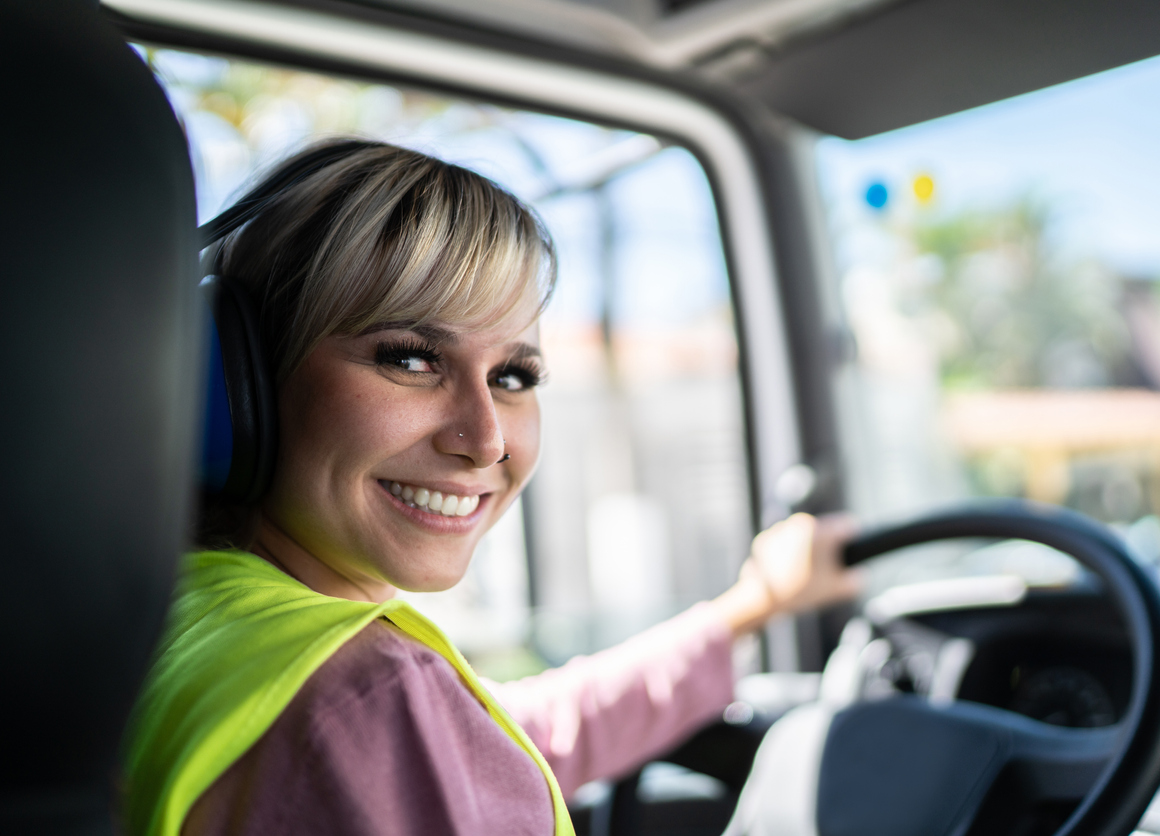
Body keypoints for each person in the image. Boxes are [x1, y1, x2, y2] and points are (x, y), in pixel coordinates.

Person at [122, 140, 862, 836]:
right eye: (410, 359)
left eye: (513, 377)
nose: (485, 440)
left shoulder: (180, 622)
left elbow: (507, 733)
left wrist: (752, 607)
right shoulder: (368, 692)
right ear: (233, 379)